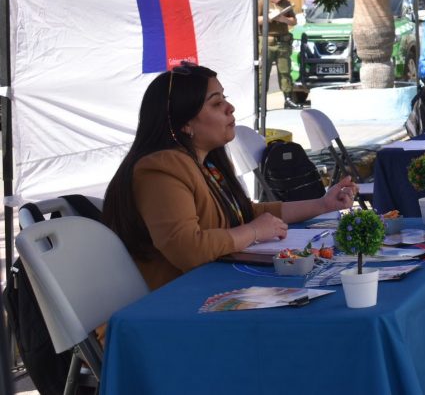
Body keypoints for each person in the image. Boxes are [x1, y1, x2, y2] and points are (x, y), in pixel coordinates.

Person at [102, 63, 357, 291]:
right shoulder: (160, 170)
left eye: (225, 98)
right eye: (216, 103)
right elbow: (189, 249)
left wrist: (323, 204)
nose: (230, 107)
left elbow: (246, 214)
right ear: (184, 124)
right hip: (175, 304)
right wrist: (254, 232)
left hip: (205, 289)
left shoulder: (205, 163)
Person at [258, 0, 299, 109]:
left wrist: (283, 18)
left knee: (285, 72)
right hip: (267, 42)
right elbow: (255, 19)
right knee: (263, 73)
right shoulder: (261, 2)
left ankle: (288, 99)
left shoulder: (285, 3)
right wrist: (269, 18)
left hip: (283, 42)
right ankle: (260, 102)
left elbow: (293, 21)